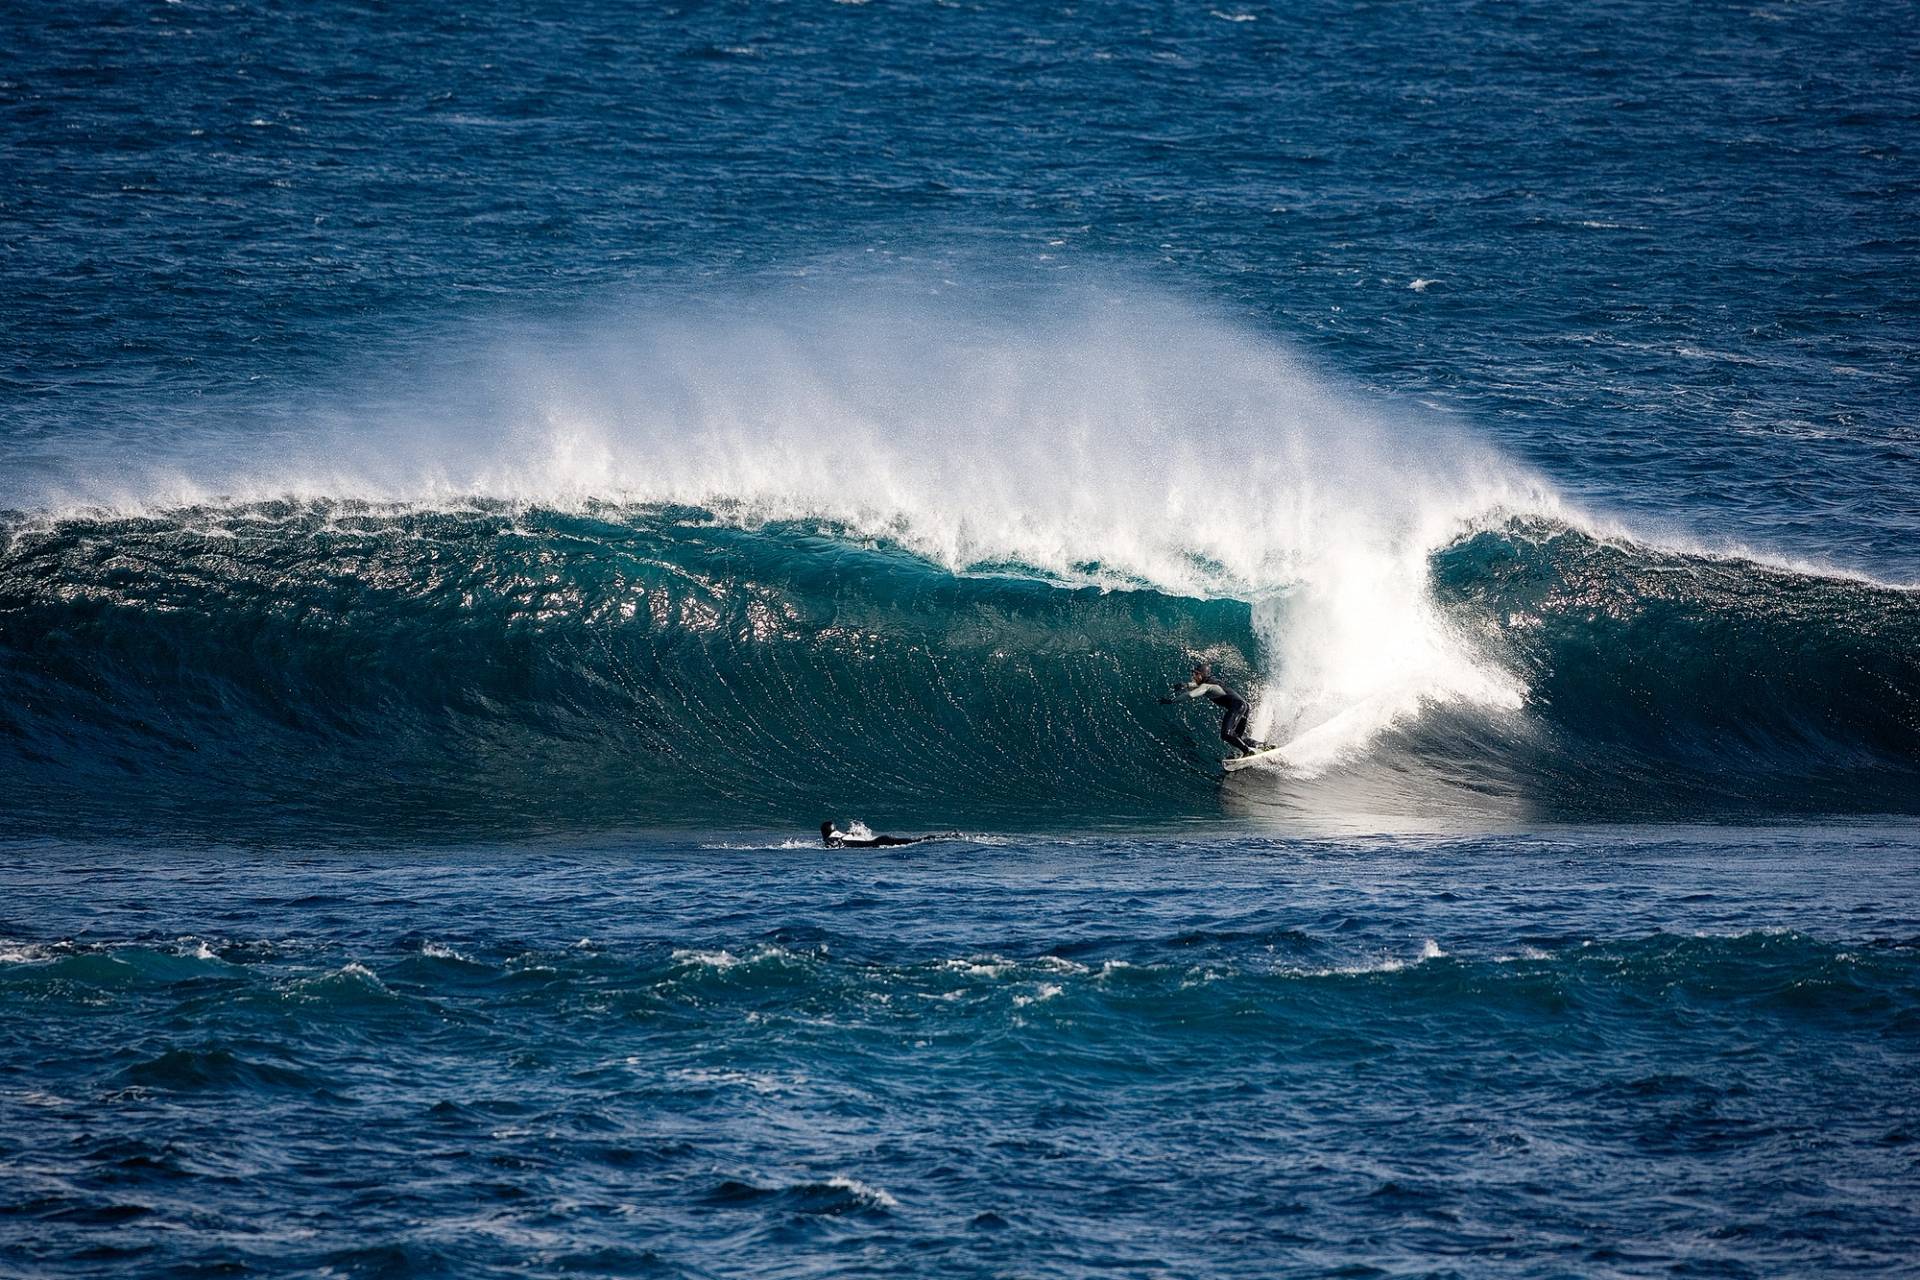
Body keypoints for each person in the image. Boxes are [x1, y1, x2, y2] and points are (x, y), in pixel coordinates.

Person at [1160, 662, 1264, 755]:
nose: (1193, 676)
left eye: (1196, 674)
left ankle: (1248, 751)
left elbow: (1191, 695)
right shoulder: (1212, 682)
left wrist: (1171, 701)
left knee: (1226, 734)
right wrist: (1185, 685)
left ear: (1202, 675)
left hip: (1237, 706)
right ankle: (1259, 745)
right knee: (1237, 737)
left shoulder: (1206, 686)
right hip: (1244, 706)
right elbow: (1198, 685)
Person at [820, 820, 939, 849]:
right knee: (915, 841)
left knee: (914, 842)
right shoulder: (843, 834)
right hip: (880, 840)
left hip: (878, 842)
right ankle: (940, 837)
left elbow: (833, 844)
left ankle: (936, 838)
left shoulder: (832, 838)